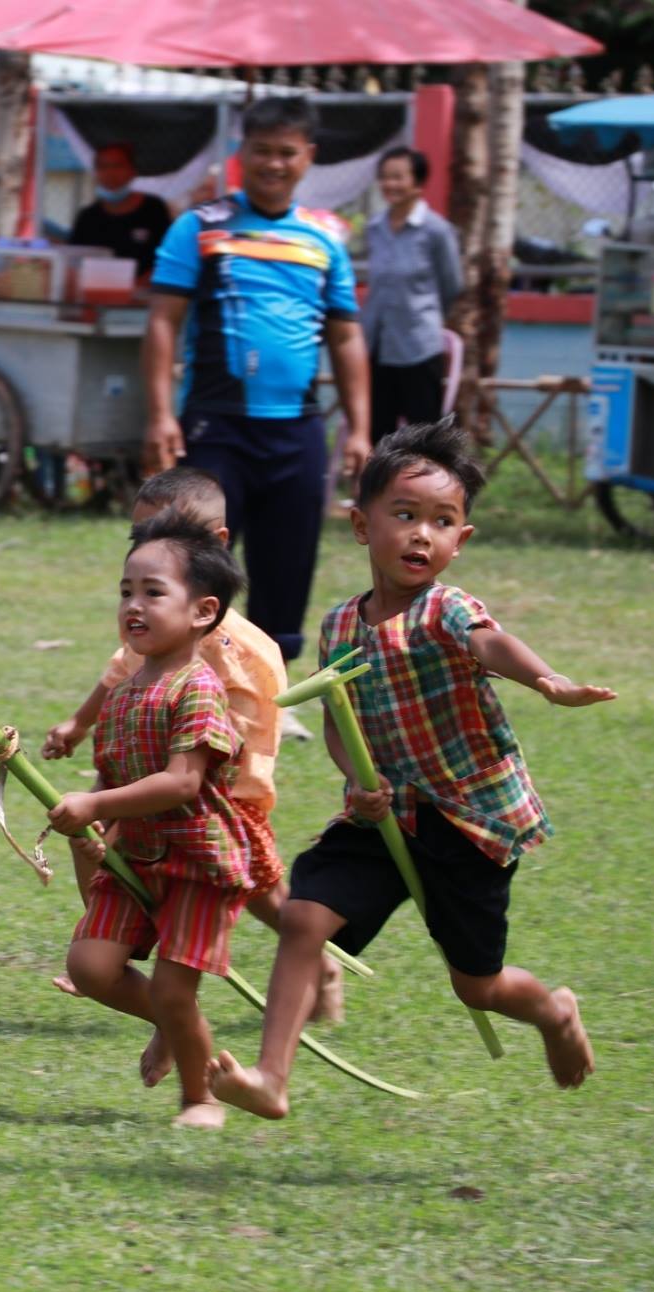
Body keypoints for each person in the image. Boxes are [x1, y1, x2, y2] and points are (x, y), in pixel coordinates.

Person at [209, 419, 610, 1120]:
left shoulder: (446, 612)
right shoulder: (338, 626)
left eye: (442, 521)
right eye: (405, 515)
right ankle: (273, 1078)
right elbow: (336, 716)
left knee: (477, 985)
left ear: (462, 538)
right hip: (385, 812)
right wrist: (354, 779)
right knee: (303, 917)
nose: (422, 534)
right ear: (363, 526)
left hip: (466, 823)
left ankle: (552, 1011)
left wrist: (546, 680)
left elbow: (493, 645)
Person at [43, 466, 344, 1022]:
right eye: (142, 536)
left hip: (220, 795)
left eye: (171, 533)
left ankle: (315, 961)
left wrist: (216, 786)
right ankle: (110, 943)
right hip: (146, 780)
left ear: (218, 541)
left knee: (258, 893)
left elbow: (253, 729)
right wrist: (79, 723)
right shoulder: (153, 618)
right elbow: (118, 674)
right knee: (93, 841)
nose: (154, 549)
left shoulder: (237, 649)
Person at [143, 96, 372, 668]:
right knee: (195, 563)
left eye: (287, 153)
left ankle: (269, 691)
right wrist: (159, 414)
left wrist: (360, 428)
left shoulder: (324, 241)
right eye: (262, 151)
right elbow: (162, 321)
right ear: (241, 153)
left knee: (287, 564)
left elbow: (346, 338)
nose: (274, 164)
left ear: (308, 157)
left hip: (297, 432)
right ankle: (177, 682)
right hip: (215, 426)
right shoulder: (199, 229)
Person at [45, 513, 255, 1129]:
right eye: (126, 592)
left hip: (194, 862)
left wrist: (96, 807)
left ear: (202, 612)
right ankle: (177, 1026)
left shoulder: (198, 689)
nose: (133, 605)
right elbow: (114, 775)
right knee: (90, 969)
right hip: (132, 854)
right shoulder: (125, 690)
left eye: (153, 592)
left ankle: (200, 1096)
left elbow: (182, 781)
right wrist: (90, 824)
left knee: (172, 989)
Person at [364, 148, 463, 443]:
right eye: (384, 177)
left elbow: (452, 285)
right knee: (379, 434)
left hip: (418, 348)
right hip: (377, 346)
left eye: (398, 177)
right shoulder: (374, 228)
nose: (389, 184)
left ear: (418, 183)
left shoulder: (436, 231)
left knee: (423, 440)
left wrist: (424, 320)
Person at [67, 142, 173, 276]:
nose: (111, 173)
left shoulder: (154, 209)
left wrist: (137, 287)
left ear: (133, 171)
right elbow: (74, 262)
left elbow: (168, 258)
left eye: (118, 166)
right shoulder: (87, 217)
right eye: (103, 167)